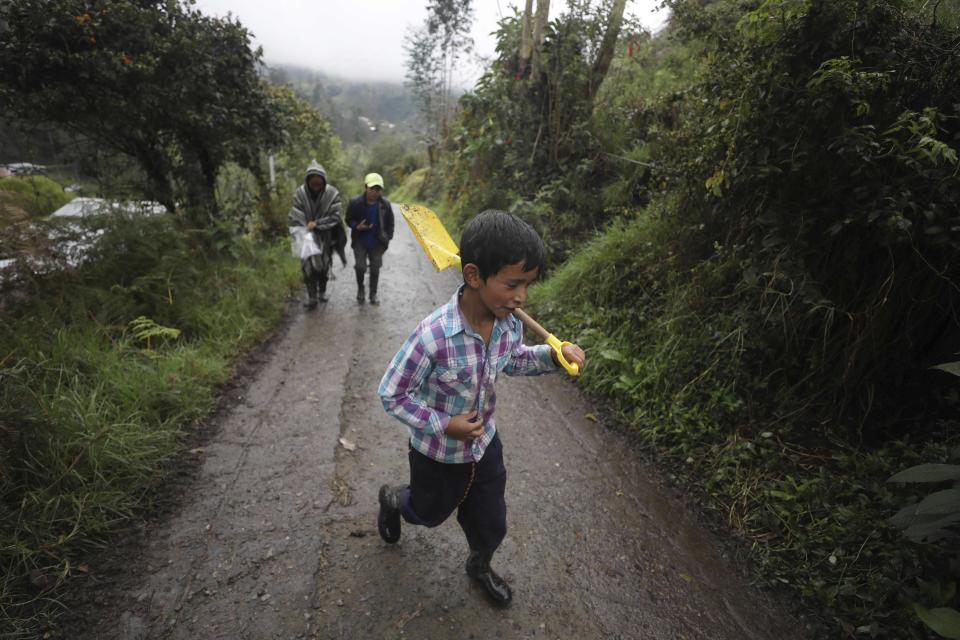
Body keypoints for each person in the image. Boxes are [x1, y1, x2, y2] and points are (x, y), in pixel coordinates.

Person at [376, 210, 587, 607]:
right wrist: (443, 424)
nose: (521, 296)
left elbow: (513, 359)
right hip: (437, 455)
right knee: (428, 512)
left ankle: (480, 564)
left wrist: (554, 355)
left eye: (527, 285)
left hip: (484, 445)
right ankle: (392, 499)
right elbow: (392, 394)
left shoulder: (509, 324)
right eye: (512, 284)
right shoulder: (433, 336)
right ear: (473, 276)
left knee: (491, 521)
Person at [289, 160, 346, 309]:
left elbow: (336, 216)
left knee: (323, 265)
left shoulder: (332, 193)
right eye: (312, 182)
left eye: (319, 182)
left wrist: (318, 224)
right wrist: (304, 227)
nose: (316, 185)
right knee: (307, 266)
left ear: (323, 181)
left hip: (326, 236)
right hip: (305, 234)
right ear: (308, 181)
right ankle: (312, 298)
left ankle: (322, 292)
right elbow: (295, 214)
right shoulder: (300, 194)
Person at [345, 172, 395, 305]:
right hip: (360, 241)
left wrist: (387, 239)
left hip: (377, 243)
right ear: (366, 187)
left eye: (377, 189)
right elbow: (348, 219)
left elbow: (390, 223)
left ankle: (373, 294)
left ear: (381, 191)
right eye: (372, 189)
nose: (374, 192)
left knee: (375, 268)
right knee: (360, 267)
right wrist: (357, 226)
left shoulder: (385, 205)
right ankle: (361, 289)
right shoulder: (355, 202)